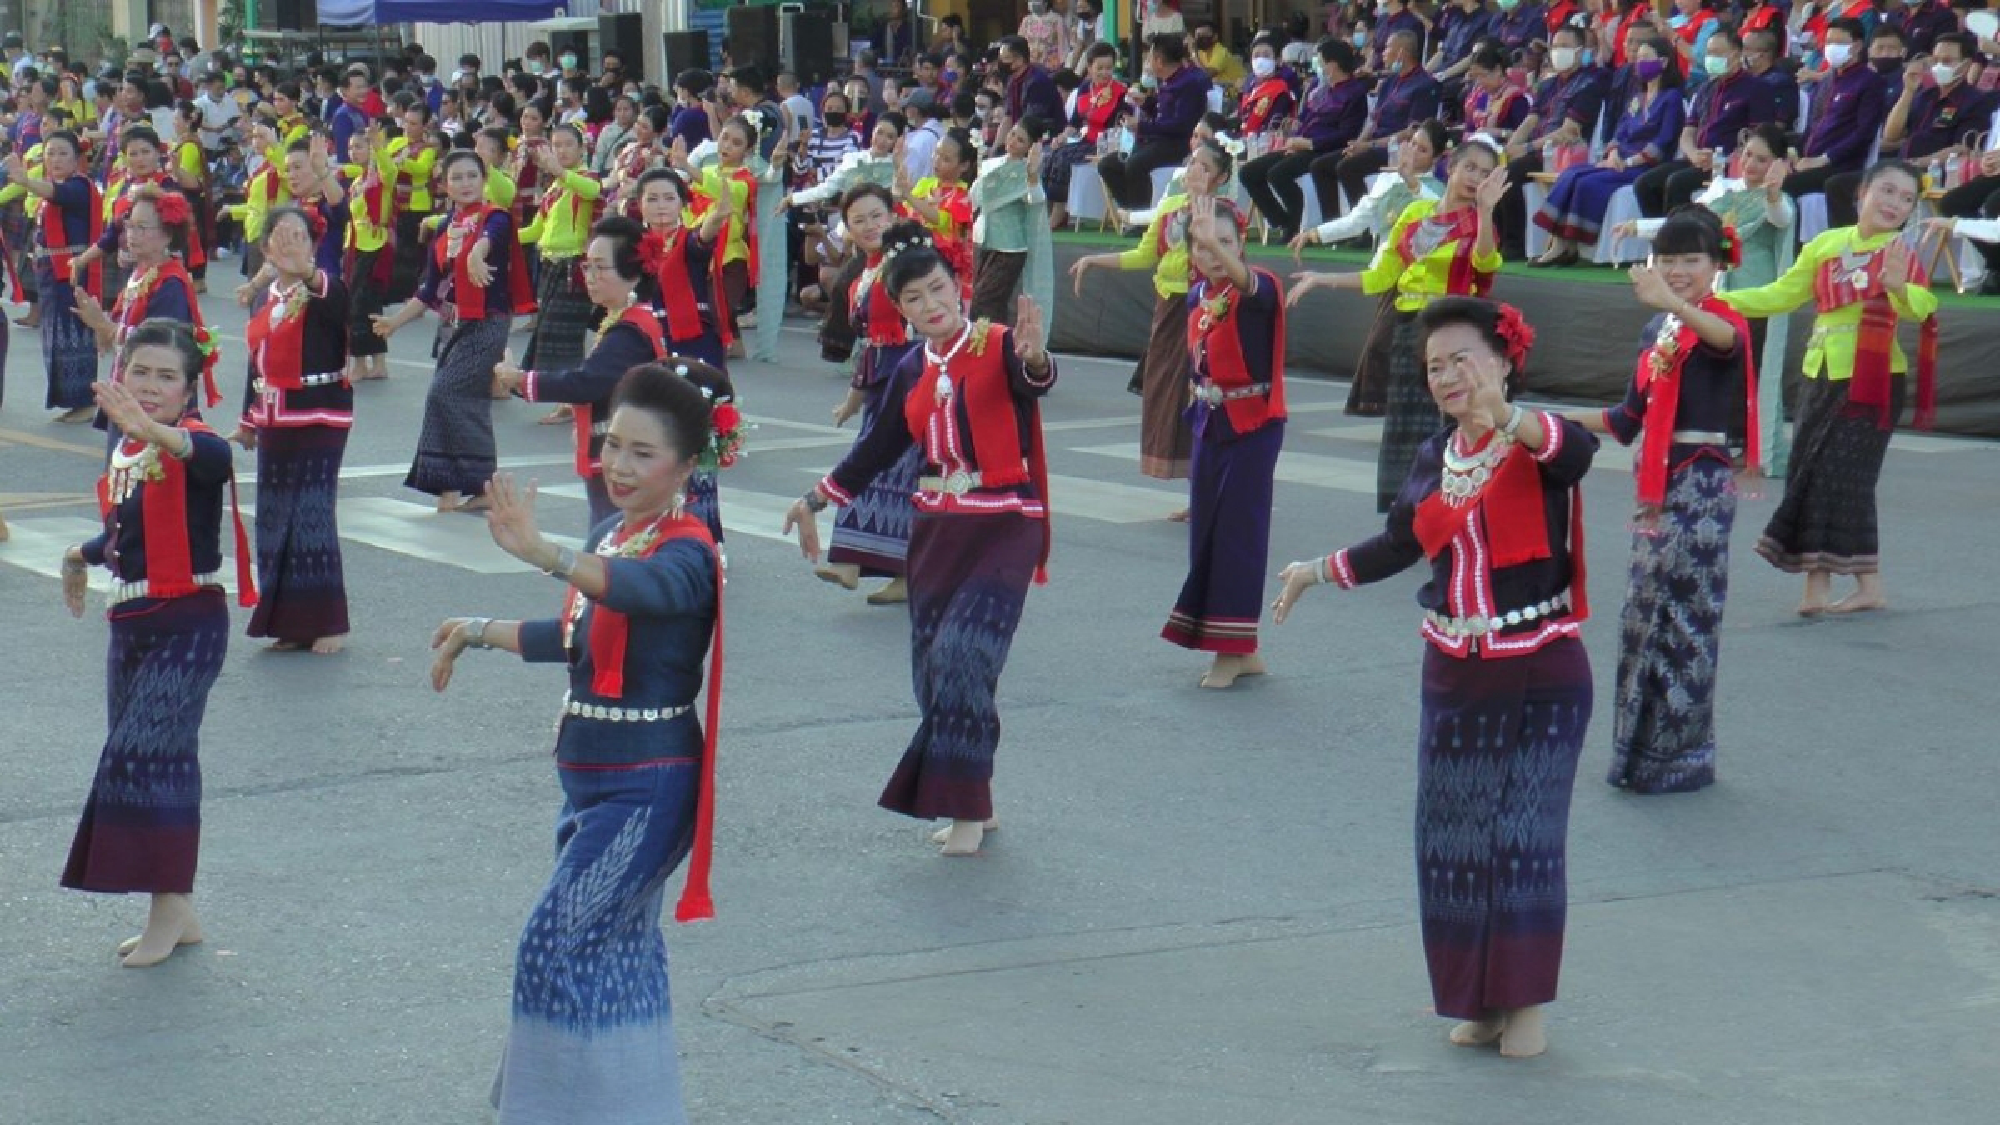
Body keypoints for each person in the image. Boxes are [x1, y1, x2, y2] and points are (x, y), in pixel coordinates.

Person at [1271, 296, 1598, 1061]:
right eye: (1435, 366)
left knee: (1524, 836)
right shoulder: (1433, 458)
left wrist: (1505, 415)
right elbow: (1397, 543)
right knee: (1451, 839)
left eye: (1463, 359)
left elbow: (1574, 453)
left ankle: (1524, 1008)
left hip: (1543, 667)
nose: (1449, 376)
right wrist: (1314, 571)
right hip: (1454, 669)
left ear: (1505, 358)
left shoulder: (1540, 441)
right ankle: (1477, 999)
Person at [428, 365, 723, 1125]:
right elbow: (576, 639)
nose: (618, 466)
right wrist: (478, 630)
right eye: (611, 445)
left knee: (553, 943)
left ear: (687, 465)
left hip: (647, 788)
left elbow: (638, 591)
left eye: (642, 454)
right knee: (614, 954)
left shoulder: (691, 552)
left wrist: (544, 552)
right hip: (590, 781)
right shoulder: (614, 533)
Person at [783, 226, 1057, 858]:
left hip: (1005, 522)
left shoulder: (996, 345)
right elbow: (875, 451)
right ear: (900, 309)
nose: (932, 304)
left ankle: (961, 808)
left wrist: (1037, 358)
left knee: (966, 654)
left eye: (939, 288)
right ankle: (976, 794)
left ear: (958, 287)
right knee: (936, 672)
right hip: (936, 530)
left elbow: (1033, 379)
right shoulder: (910, 367)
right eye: (915, 297)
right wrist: (814, 500)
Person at [60, 320, 256, 969]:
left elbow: (212, 459)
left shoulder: (189, 441)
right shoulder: (125, 448)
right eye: (139, 372)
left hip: (189, 622)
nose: (150, 386)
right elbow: (123, 532)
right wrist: (80, 555)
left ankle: (168, 908)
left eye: (165, 376)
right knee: (150, 760)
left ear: (189, 388)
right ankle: (175, 903)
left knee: (145, 754)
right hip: (131, 622)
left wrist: (157, 433)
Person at [1565, 208, 1756, 794]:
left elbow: (1725, 343)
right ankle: (1640, 753)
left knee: (1688, 620)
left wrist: (1673, 305)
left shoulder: (1723, 321)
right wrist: (1533, 420)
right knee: (1643, 617)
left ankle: (1682, 755)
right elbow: (1626, 420)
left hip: (1699, 487)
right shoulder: (1658, 334)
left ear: (1716, 266)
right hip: (1656, 489)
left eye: (1690, 260)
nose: (1676, 271)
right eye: (1666, 259)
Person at [1720, 160, 1938, 616]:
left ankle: (1824, 590)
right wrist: (1714, 300)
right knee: (1812, 473)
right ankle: (1852, 586)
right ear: (1862, 192)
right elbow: (1780, 295)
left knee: (1841, 478)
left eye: (1907, 200)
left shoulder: (1899, 251)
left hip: (1873, 380)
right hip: (1820, 374)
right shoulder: (1825, 245)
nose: (1895, 204)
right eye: (1888, 191)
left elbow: (1924, 306)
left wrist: (1900, 288)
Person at [1288, 138, 1507, 511]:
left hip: (1452, 333)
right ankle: (1408, 511)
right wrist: (1322, 279)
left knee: (1447, 422)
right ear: (1450, 168)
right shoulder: (1416, 213)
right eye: (1470, 168)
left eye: (1485, 174)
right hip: (1410, 329)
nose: (1476, 178)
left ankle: (1447, 508)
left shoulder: (1479, 223)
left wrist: (1486, 213)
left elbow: (1485, 264)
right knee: (1406, 426)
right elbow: (1381, 276)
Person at [1624, 122, 1799, 476]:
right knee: (1721, 370)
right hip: (1721, 293)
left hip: (1756, 296)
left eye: (1762, 159)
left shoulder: (1777, 201)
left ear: (1777, 165)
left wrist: (1774, 193)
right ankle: (1724, 441)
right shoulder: (1724, 194)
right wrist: (1639, 228)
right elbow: (1690, 226)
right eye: (1748, 154)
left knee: (1750, 370)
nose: (1750, 164)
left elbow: (1782, 219)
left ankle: (1750, 446)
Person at [1165, 195, 1287, 689]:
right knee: (1205, 534)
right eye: (1202, 245)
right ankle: (1239, 646)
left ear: (1242, 244)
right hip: (1210, 420)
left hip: (1254, 425)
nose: (1212, 255)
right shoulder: (1198, 296)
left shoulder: (1262, 288)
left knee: (1239, 536)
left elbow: (1249, 286)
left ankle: (1232, 649)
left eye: (1224, 243)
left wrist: (1220, 248)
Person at [374, 149, 536, 513]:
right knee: (463, 400)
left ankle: (479, 485)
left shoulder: (495, 217)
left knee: (445, 394)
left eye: (471, 176)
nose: (465, 184)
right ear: (445, 185)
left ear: (483, 180)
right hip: (452, 325)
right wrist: (394, 323)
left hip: (486, 323)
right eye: (457, 178)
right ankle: (455, 489)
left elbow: (488, 239)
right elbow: (429, 291)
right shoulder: (447, 227)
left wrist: (477, 254)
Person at [1070, 138, 1234, 496]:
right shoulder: (1171, 208)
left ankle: (1207, 488)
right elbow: (1144, 255)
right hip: (1168, 307)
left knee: (1197, 395)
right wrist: (1095, 260)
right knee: (1166, 396)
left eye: (1205, 167)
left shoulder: (1223, 215)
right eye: (1192, 163)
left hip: (1203, 310)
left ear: (1220, 178)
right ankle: (1195, 488)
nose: (1194, 171)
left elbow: (1231, 268)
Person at [494, 216, 677, 529]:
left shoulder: (631, 330)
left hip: (624, 462)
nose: (589, 277)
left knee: (610, 548)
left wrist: (520, 379)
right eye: (587, 266)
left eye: (600, 267)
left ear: (632, 275)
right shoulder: (627, 320)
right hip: (624, 454)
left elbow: (586, 383)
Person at [233, 205, 354, 654]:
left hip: (320, 415)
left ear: (312, 244)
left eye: (299, 236)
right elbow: (256, 362)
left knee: (311, 514)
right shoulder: (269, 300)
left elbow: (337, 301)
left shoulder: (324, 289)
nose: (290, 245)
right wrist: (248, 420)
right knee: (274, 516)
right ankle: (288, 620)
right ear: (266, 248)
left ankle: (328, 622)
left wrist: (307, 272)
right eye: (280, 237)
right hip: (274, 417)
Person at [1289, 119, 1449, 417]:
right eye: (1412, 143)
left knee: (1386, 345)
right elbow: (1357, 220)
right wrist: (1314, 234)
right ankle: (1398, 411)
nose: (1413, 152)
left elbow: (1438, 218)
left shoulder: (1437, 192)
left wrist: (1412, 183)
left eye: (1423, 149)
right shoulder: (1388, 182)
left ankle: (1406, 409)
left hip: (1419, 280)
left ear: (1435, 158)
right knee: (1388, 345)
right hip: (1386, 273)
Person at [817, 185, 922, 603]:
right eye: (858, 220)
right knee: (888, 472)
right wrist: (852, 400)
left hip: (912, 375)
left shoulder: (907, 266)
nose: (868, 226)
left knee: (890, 471)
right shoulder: (863, 275)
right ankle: (886, 567)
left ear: (892, 217)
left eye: (876, 216)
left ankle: (855, 561)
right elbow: (869, 347)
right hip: (882, 378)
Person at [1533, 39, 1685, 264]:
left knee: (1587, 183)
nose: (1638, 61)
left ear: (1662, 62)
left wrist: (1630, 162)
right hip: (1617, 161)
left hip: (1643, 165)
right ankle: (1561, 245)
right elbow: (1619, 131)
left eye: (1645, 57)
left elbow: (1665, 140)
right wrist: (1613, 154)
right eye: (1637, 56)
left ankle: (1571, 245)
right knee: (1571, 174)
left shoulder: (1671, 98)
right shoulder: (1636, 97)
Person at [5, 130, 100, 421]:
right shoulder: (53, 186)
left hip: (71, 274)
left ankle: (84, 401)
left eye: (63, 153)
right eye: (50, 153)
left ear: (77, 159)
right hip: (50, 274)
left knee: (73, 335)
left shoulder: (78, 187)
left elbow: (57, 194)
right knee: (56, 338)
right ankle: (72, 401)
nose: (55, 159)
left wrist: (26, 181)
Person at [1238, 37, 1368, 243]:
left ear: (1332, 64)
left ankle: (1294, 225)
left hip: (1324, 148)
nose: (1317, 64)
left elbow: (1347, 133)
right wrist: (1295, 135)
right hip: (1301, 145)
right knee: (1248, 172)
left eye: (1320, 60)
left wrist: (1309, 144)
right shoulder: (1319, 88)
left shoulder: (1354, 93)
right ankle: (1283, 220)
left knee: (1278, 174)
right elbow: (1305, 119)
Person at [1496, 27, 1607, 259]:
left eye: (1565, 47)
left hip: (1561, 154)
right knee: (1498, 168)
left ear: (1580, 51)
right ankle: (1496, 238)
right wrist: (1510, 148)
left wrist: (1526, 148)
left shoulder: (1590, 84)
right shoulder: (1548, 85)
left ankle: (1514, 246)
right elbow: (1530, 120)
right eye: (1555, 46)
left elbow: (1567, 132)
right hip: (1537, 150)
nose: (1558, 52)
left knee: (1512, 173)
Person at [521, 124, 604, 379]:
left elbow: (593, 191)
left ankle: (571, 394)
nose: (562, 150)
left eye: (568, 144)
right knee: (548, 331)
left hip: (573, 264)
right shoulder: (554, 188)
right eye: (556, 145)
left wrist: (558, 171)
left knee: (564, 332)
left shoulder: (585, 178)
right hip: (550, 264)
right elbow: (535, 230)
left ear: (581, 148)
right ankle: (563, 394)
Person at [1096, 33, 1212, 210]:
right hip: (1157, 140)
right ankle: (1131, 210)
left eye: (1150, 57)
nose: (1148, 61)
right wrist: (1146, 103)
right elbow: (1163, 112)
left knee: (1136, 164)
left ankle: (1141, 217)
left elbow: (1181, 124)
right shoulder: (1169, 81)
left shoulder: (1189, 83)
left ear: (1158, 60)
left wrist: (1141, 126)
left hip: (1179, 144)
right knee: (1108, 165)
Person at [968, 116, 1053, 326]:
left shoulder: (1027, 171)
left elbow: (1036, 200)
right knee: (982, 301)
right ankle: (992, 348)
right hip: (982, 238)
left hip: (1010, 247)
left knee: (986, 300)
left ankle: (992, 346)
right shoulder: (991, 164)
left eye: (1021, 140)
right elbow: (974, 198)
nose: (1013, 141)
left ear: (1030, 147)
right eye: (1013, 134)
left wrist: (1033, 174)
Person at [1042, 42, 1126, 229]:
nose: (1105, 73)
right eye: (1100, 68)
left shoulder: (1121, 92)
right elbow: (1074, 122)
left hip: (1106, 143)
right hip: (1084, 139)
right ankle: (1050, 209)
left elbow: (1122, 124)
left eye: (1109, 68)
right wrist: (1061, 137)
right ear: (1089, 68)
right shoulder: (1084, 88)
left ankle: (1059, 212)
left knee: (1063, 158)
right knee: (1049, 153)